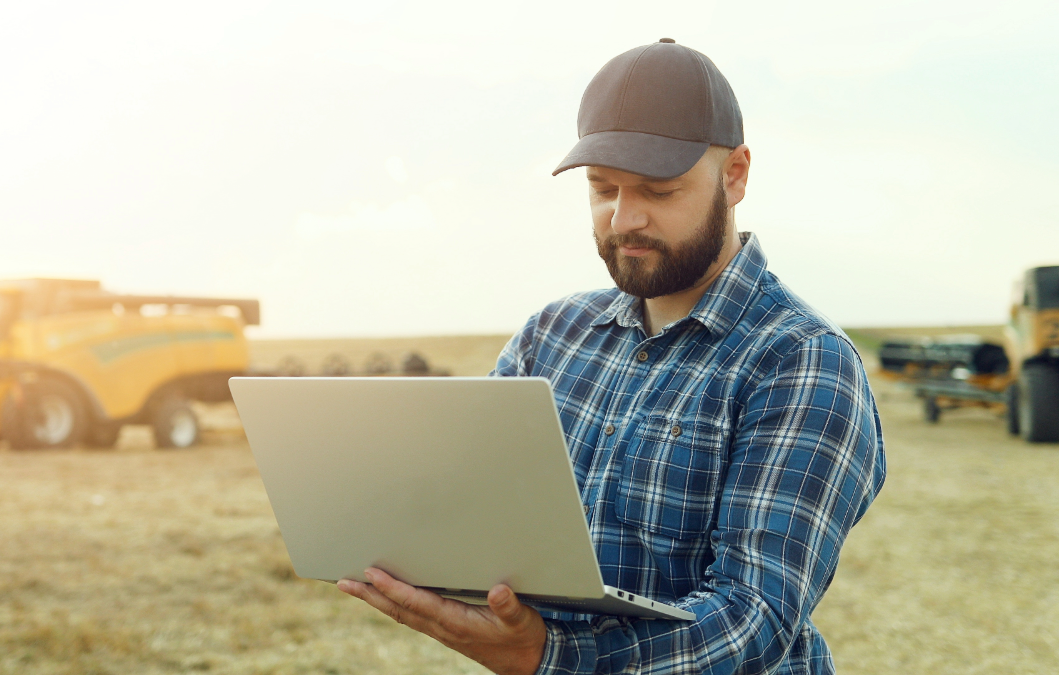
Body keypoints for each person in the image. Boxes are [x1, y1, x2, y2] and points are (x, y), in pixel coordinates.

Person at [337, 39, 887, 675]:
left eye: (658, 190)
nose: (625, 219)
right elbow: (472, 519)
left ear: (734, 175)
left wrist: (551, 657)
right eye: (603, 188)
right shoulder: (552, 334)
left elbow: (751, 620)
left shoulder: (803, 361)